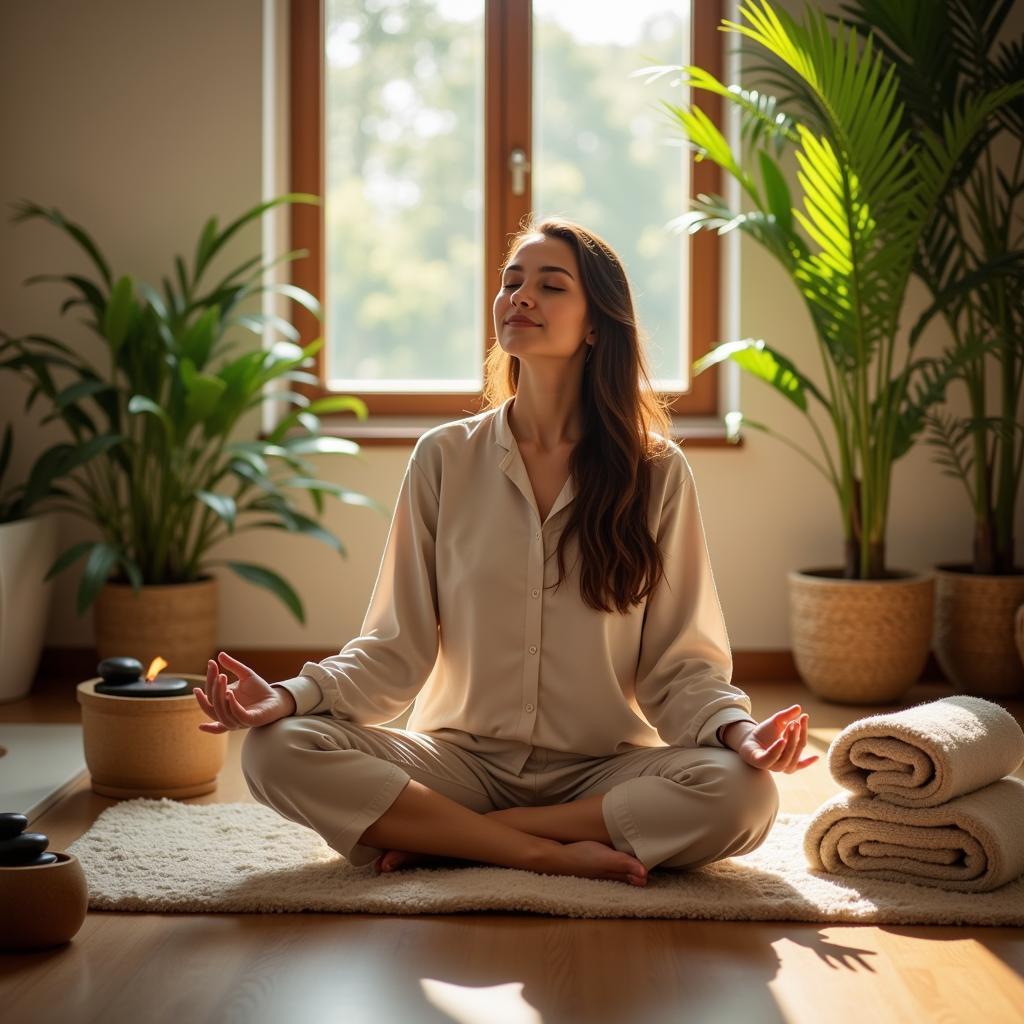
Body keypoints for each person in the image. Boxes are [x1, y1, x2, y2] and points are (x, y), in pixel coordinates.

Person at [194, 216, 818, 888]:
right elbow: (393, 650)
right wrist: (290, 697)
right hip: (457, 767)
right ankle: (542, 852)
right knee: (273, 751)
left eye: (550, 286)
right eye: (510, 282)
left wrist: (736, 733)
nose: (520, 297)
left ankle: (454, 840)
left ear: (596, 325)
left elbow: (681, 668)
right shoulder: (443, 458)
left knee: (747, 794)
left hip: (598, 773)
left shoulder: (655, 472)